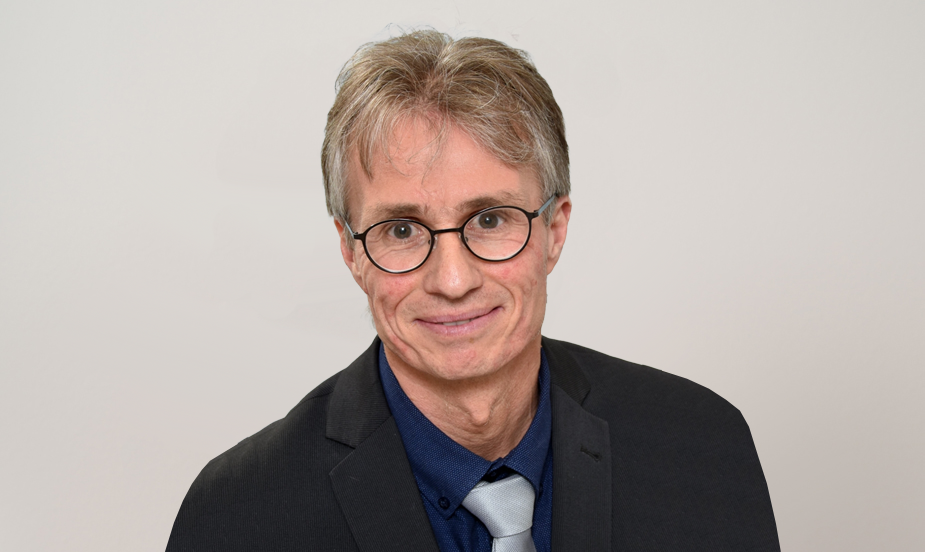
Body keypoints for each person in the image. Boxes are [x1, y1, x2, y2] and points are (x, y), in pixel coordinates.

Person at [166, 30, 780, 552]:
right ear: (351, 251)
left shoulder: (701, 449)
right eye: (401, 229)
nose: (453, 281)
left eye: (489, 220)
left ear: (554, 231)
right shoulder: (239, 517)